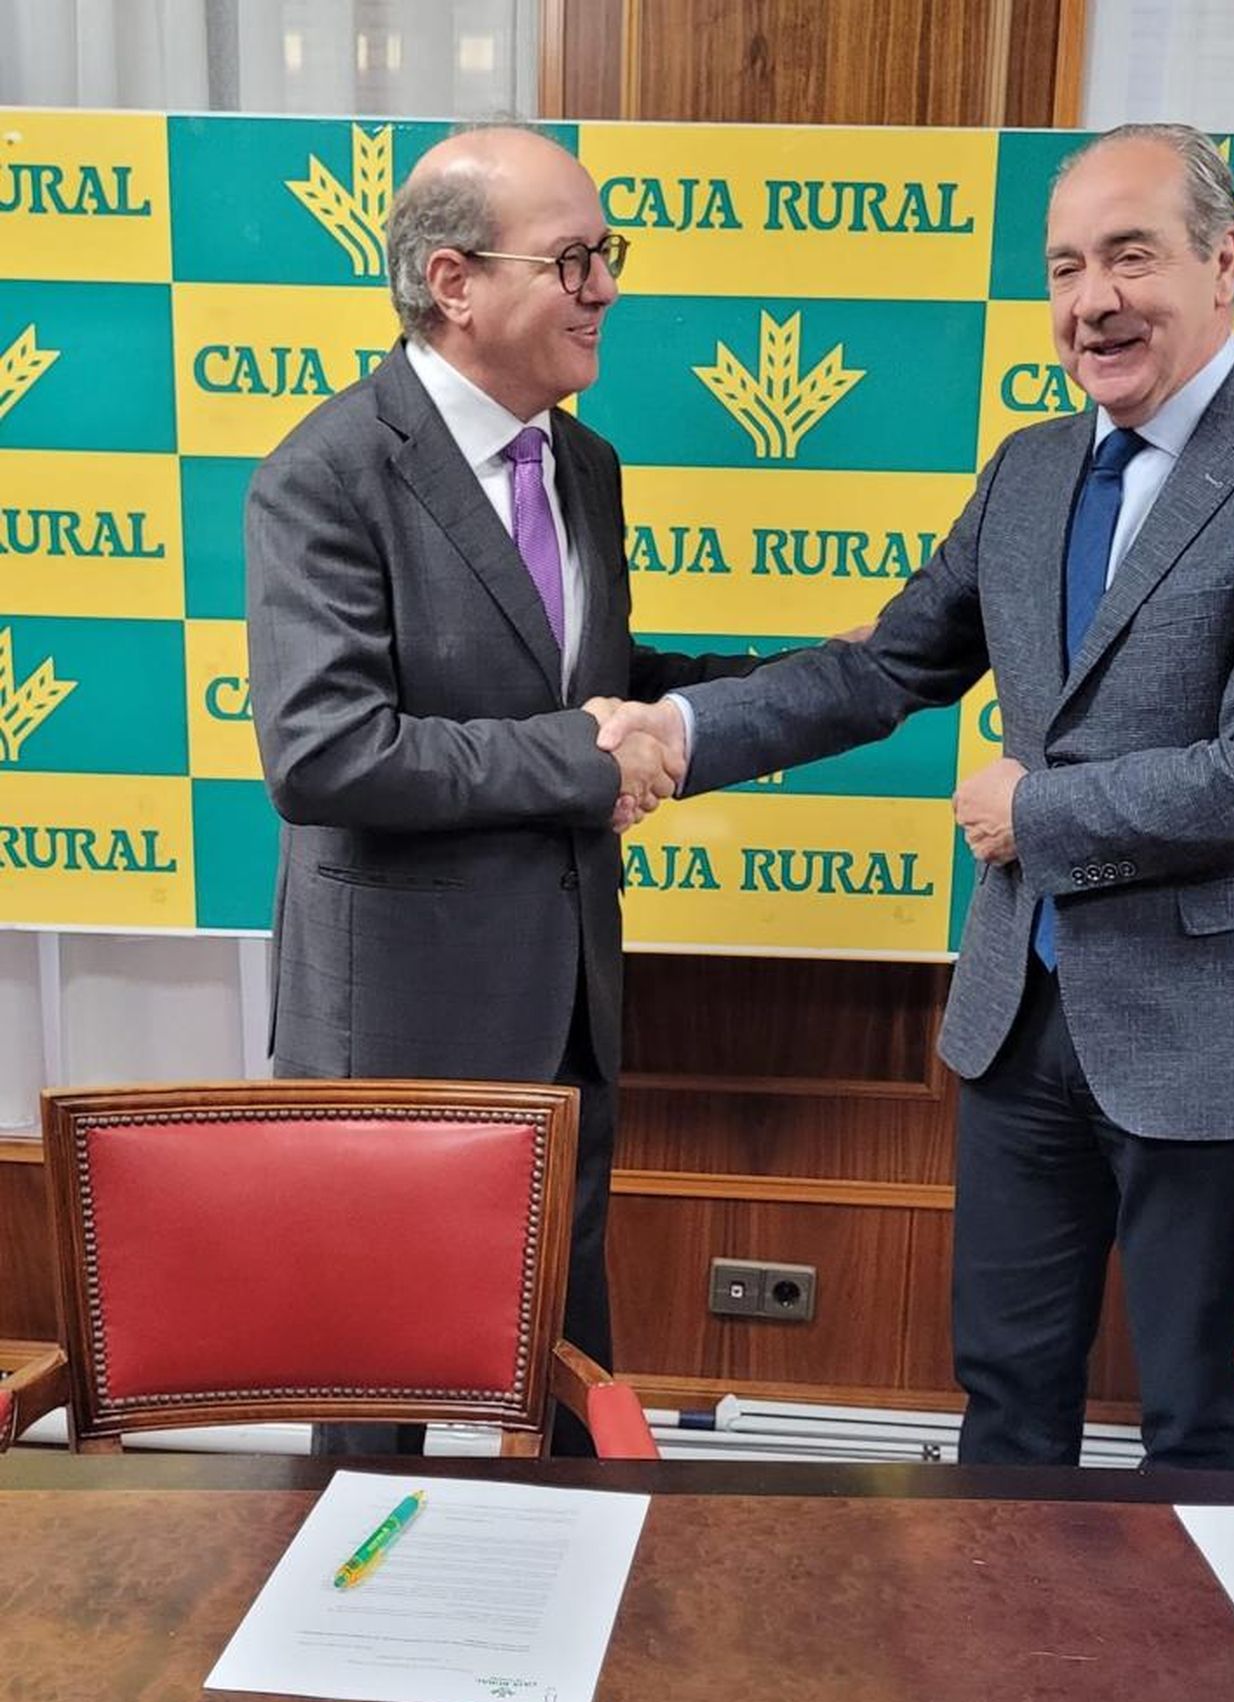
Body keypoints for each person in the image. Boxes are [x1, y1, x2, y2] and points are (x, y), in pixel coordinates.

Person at [595, 123, 1234, 1469]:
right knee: (1006, 1402)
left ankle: (1188, 1684)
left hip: (1217, 1038)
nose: (1095, 301)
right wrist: (679, 732)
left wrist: (1042, 816)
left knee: (1209, 1426)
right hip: (1022, 1033)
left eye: (1132, 257)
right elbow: (881, 670)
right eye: (1067, 268)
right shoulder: (1032, 470)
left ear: (1224, 264)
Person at [246, 125, 757, 1454]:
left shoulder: (584, 464)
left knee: (569, 1411)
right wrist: (586, 758)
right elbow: (324, 751)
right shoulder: (327, 471)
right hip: (397, 1042)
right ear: (456, 283)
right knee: (375, 1421)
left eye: (609, 254)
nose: (606, 287)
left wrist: (817, 683)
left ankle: (563, 1645)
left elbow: (592, 677)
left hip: (569, 1013)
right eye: (575, 257)